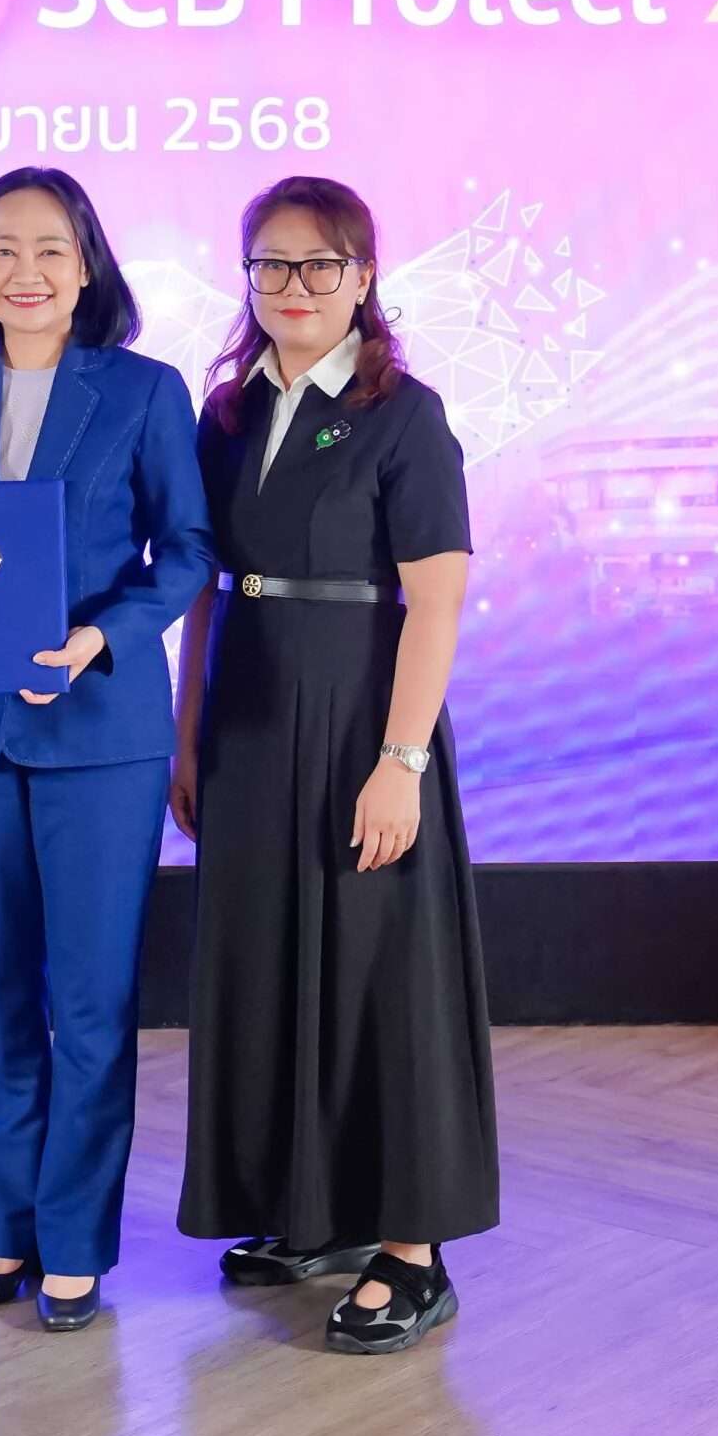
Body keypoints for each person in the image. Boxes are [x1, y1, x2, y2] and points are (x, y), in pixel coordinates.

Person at [173, 175, 498, 1356]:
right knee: (268, 968)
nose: (294, 285)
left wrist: (399, 761)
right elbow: (205, 592)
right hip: (250, 726)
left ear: (363, 277)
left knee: (377, 978)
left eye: (320, 264)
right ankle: (312, 1216)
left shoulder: (404, 415)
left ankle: (410, 1252)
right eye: (271, 263)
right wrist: (187, 738)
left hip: (364, 724)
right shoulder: (226, 414)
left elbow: (436, 601)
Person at [0, 166, 214, 1332]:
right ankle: (6, 1234)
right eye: (0, 249)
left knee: (87, 1000)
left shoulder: (143, 390)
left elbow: (188, 550)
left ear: (87, 266)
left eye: (47, 249)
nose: (22, 271)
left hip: (99, 736)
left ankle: (74, 1244)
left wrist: (101, 636)